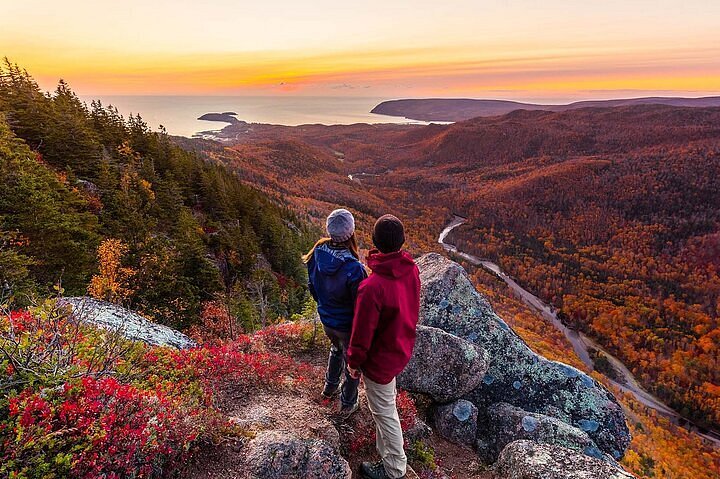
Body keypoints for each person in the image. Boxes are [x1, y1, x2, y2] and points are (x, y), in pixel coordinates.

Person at [347, 214, 421, 479]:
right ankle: (387, 458)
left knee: (384, 413)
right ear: (401, 242)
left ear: (376, 243)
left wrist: (354, 363)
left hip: (380, 360)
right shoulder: (410, 268)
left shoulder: (372, 287)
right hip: (399, 348)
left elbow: (361, 334)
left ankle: (394, 470)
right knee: (384, 405)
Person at [304, 208, 367, 417]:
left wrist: (325, 306)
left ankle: (329, 388)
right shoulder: (354, 268)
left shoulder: (316, 253)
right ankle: (348, 404)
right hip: (346, 324)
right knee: (352, 361)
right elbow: (360, 305)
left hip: (327, 319)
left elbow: (312, 286)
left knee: (335, 349)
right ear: (350, 233)